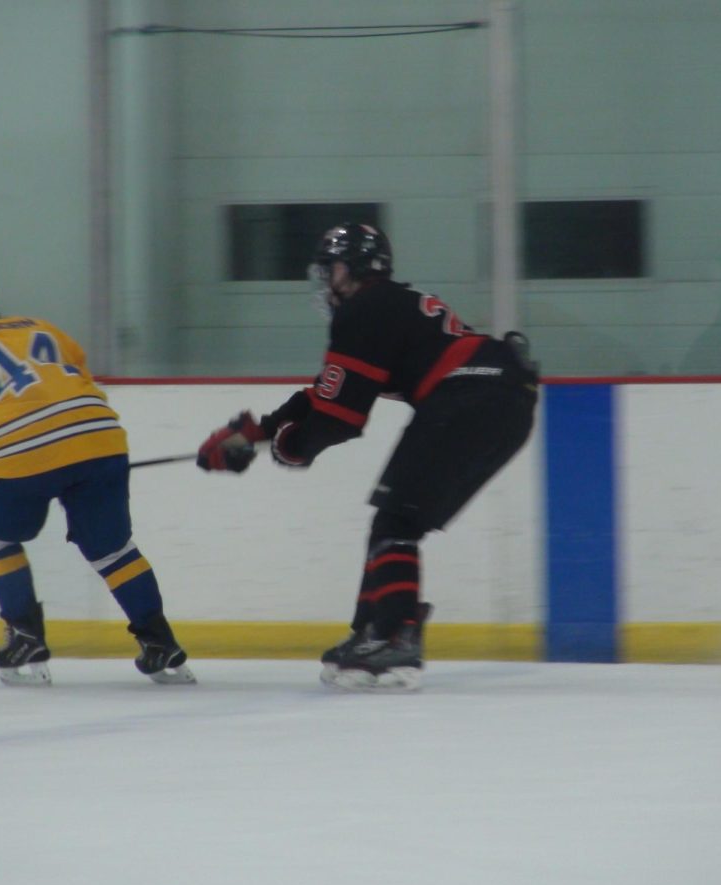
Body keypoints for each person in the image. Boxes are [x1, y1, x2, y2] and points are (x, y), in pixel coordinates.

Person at [196, 223, 538, 691]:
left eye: (330, 269)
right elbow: (328, 394)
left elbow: (340, 417)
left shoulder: (364, 309)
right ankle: (373, 631)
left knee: (396, 521)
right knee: (395, 521)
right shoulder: (389, 304)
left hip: (469, 398)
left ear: (353, 269)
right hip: (506, 402)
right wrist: (257, 433)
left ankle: (396, 635)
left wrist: (288, 448)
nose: (326, 282)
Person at [0, 274, 194, 687]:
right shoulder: (40, 326)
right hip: (100, 437)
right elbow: (75, 382)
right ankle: (160, 643)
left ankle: (25, 636)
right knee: (111, 548)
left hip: (21, 449)